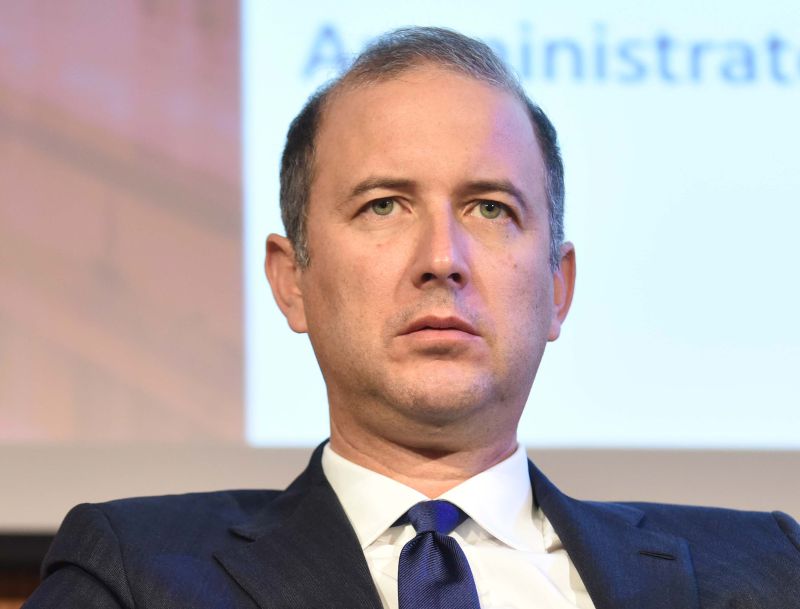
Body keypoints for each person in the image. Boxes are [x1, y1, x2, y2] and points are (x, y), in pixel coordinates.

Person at [24, 26, 800, 609]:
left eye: (490, 208)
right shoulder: (137, 573)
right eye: (384, 205)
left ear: (557, 288)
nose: (442, 258)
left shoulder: (766, 568)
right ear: (292, 281)